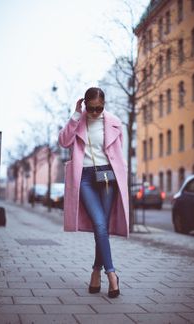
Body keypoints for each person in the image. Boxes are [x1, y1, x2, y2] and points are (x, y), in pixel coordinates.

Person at [58, 87, 129, 298]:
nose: (96, 112)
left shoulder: (115, 122)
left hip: (108, 177)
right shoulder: (78, 121)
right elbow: (63, 141)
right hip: (86, 178)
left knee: (102, 228)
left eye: (100, 108)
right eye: (92, 108)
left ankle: (96, 272)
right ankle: (112, 274)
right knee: (99, 223)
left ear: (104, 105)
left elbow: (118, 152)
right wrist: (75, 115)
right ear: (85, 105)